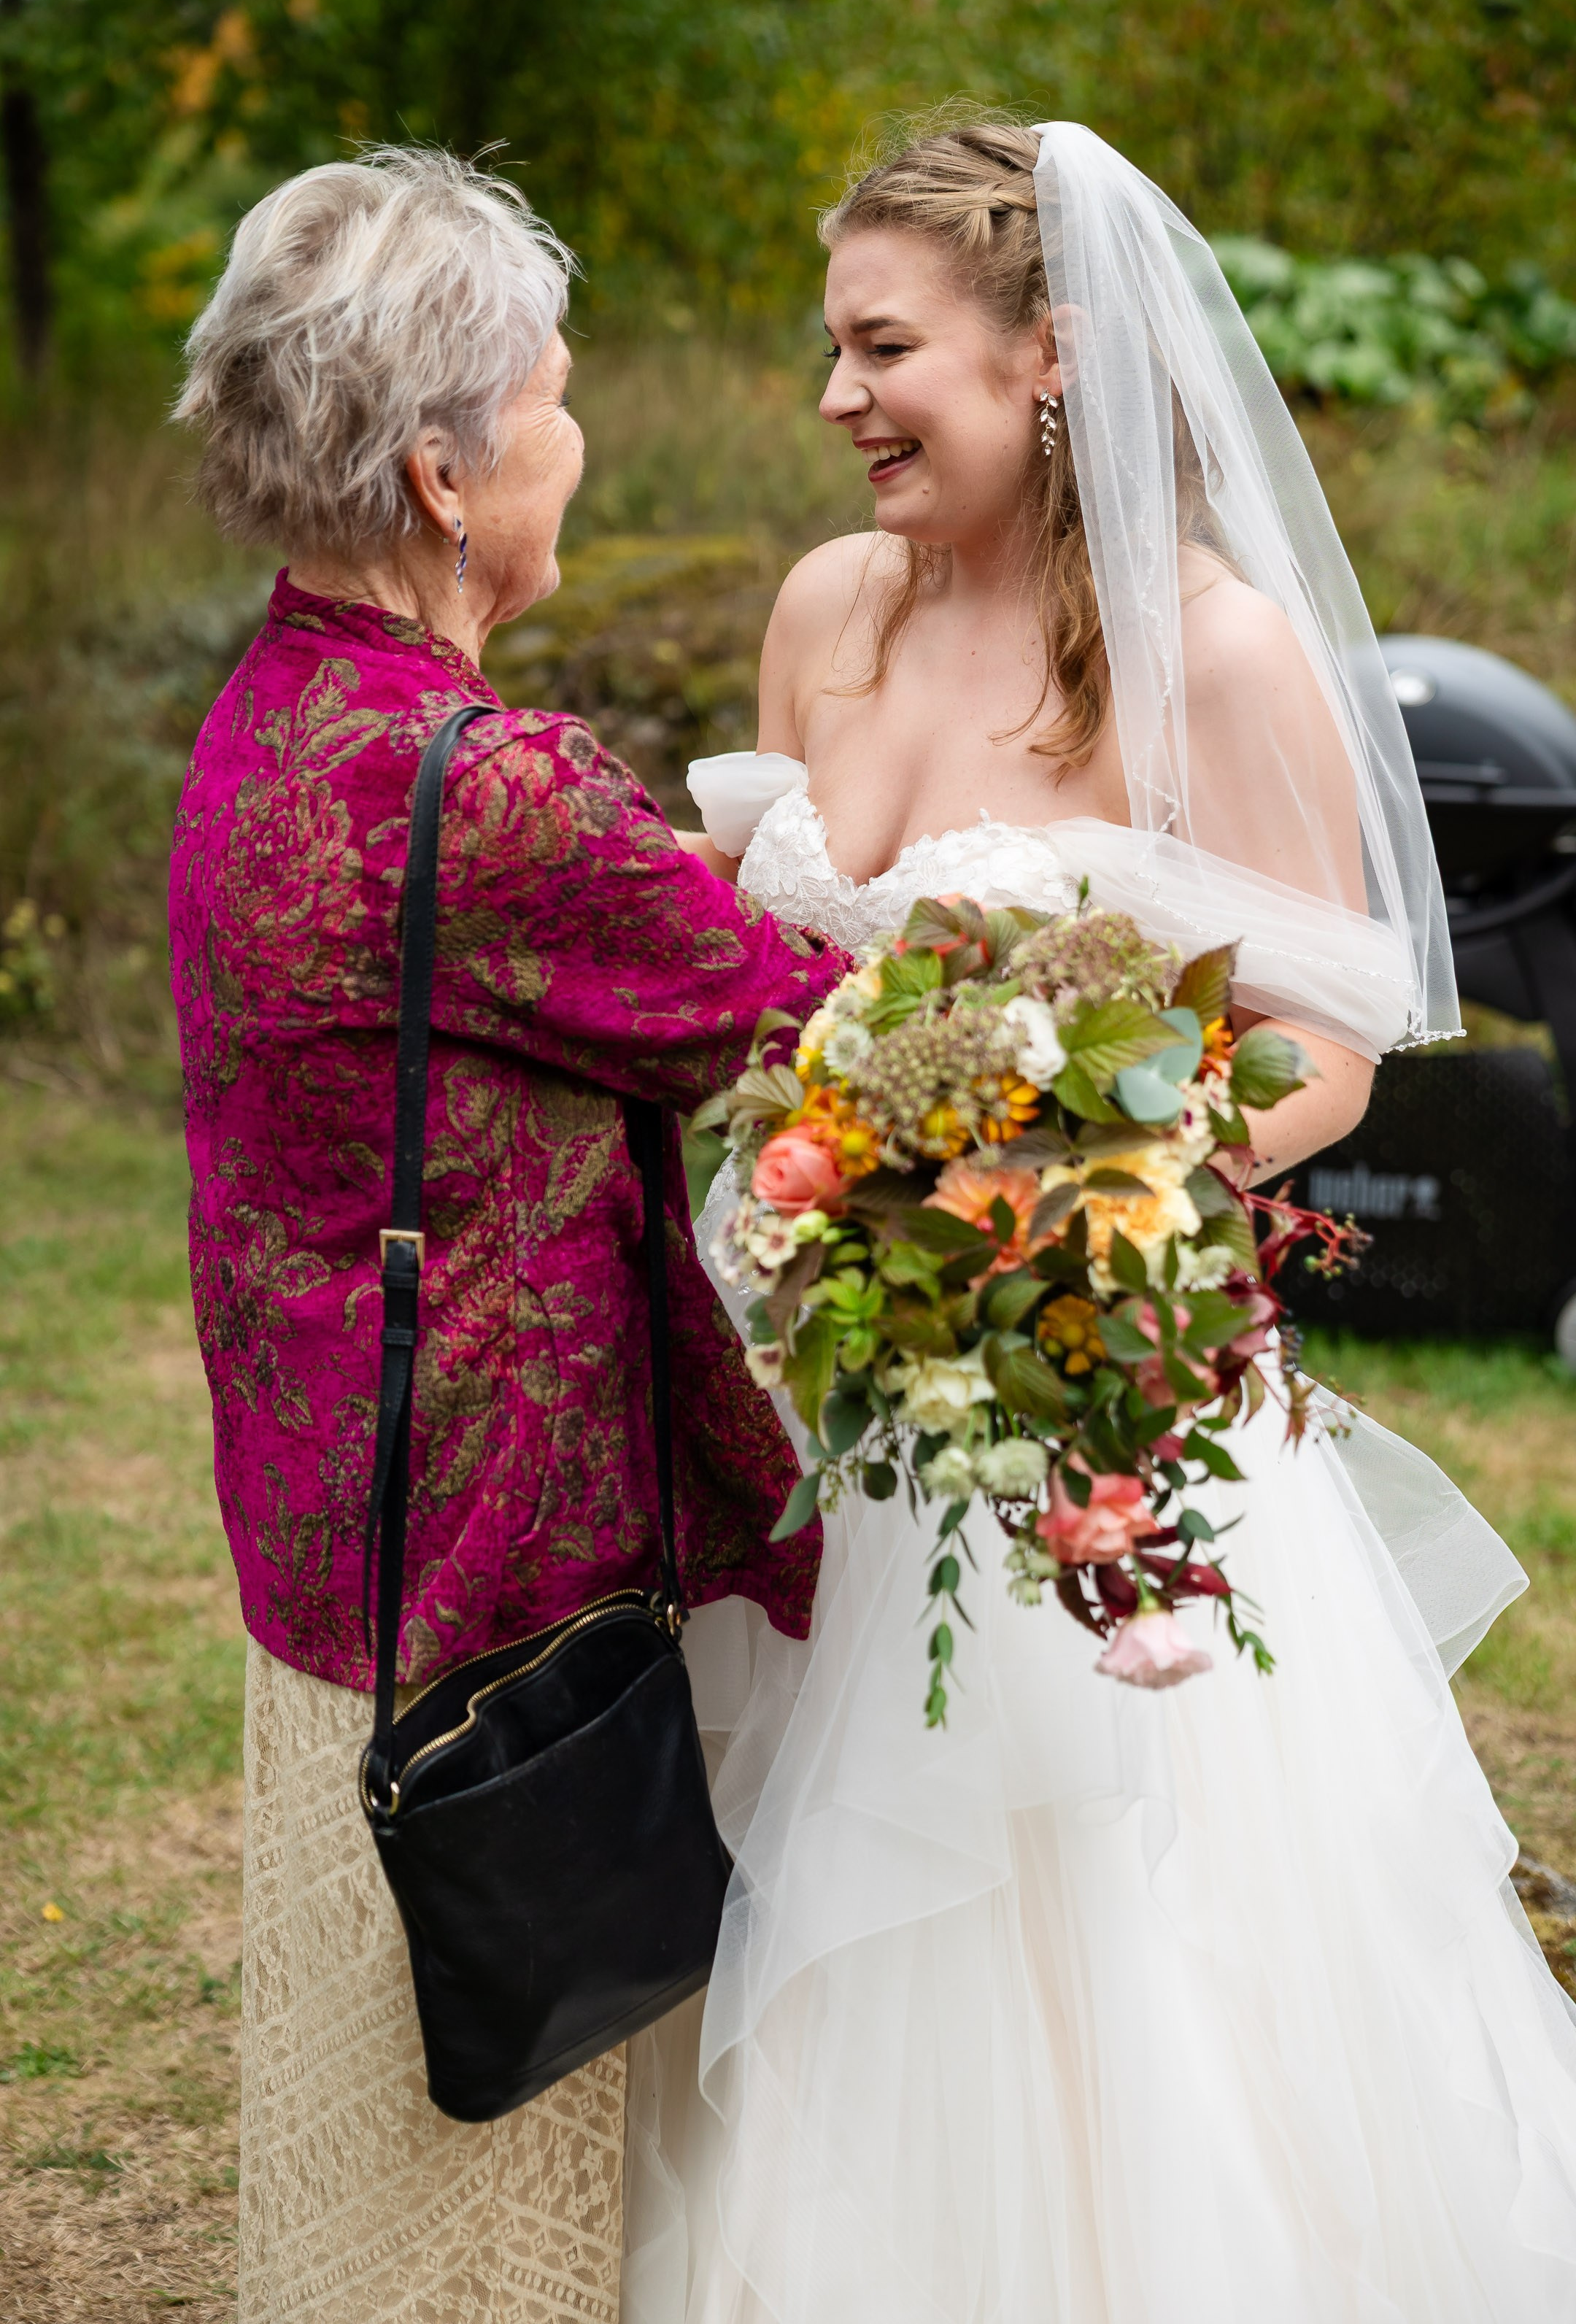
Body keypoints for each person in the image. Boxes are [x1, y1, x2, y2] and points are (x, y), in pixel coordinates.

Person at [631, 117, 1576, 2321]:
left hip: (1097, 1409)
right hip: (821, 1411)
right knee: (831, 1930)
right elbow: (756, 994)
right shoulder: (824, 611)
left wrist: (1067, 1198)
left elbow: (1327, 1048)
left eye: (887, 349)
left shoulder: (1215, 658)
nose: (839, 398)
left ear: (1049, 355)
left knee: (1136, 1953)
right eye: (829, 351)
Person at [168, 146, 846, 2324]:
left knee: (369, 2128)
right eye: (554, 401)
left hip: (326, 1548)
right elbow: (787, 1024)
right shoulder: (488, 786)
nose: (582, 440)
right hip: (491, 1603)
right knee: (491, 2189)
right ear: (448, 472)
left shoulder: (271, 719)